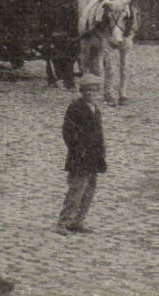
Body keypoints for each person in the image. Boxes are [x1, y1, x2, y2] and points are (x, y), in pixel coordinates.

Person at [56, 73, 106, 235]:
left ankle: (78, 220)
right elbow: (68, 132)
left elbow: (99, 134)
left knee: (89, 190)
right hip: (80, 157)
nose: (91, 93)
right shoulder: (75, 108)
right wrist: (78, 149)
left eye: (94, 90)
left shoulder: (96, 110)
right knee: (76, 190)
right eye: (87, 90)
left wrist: (101, 152)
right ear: (82, 91)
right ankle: (63, 222)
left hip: (93, 156)